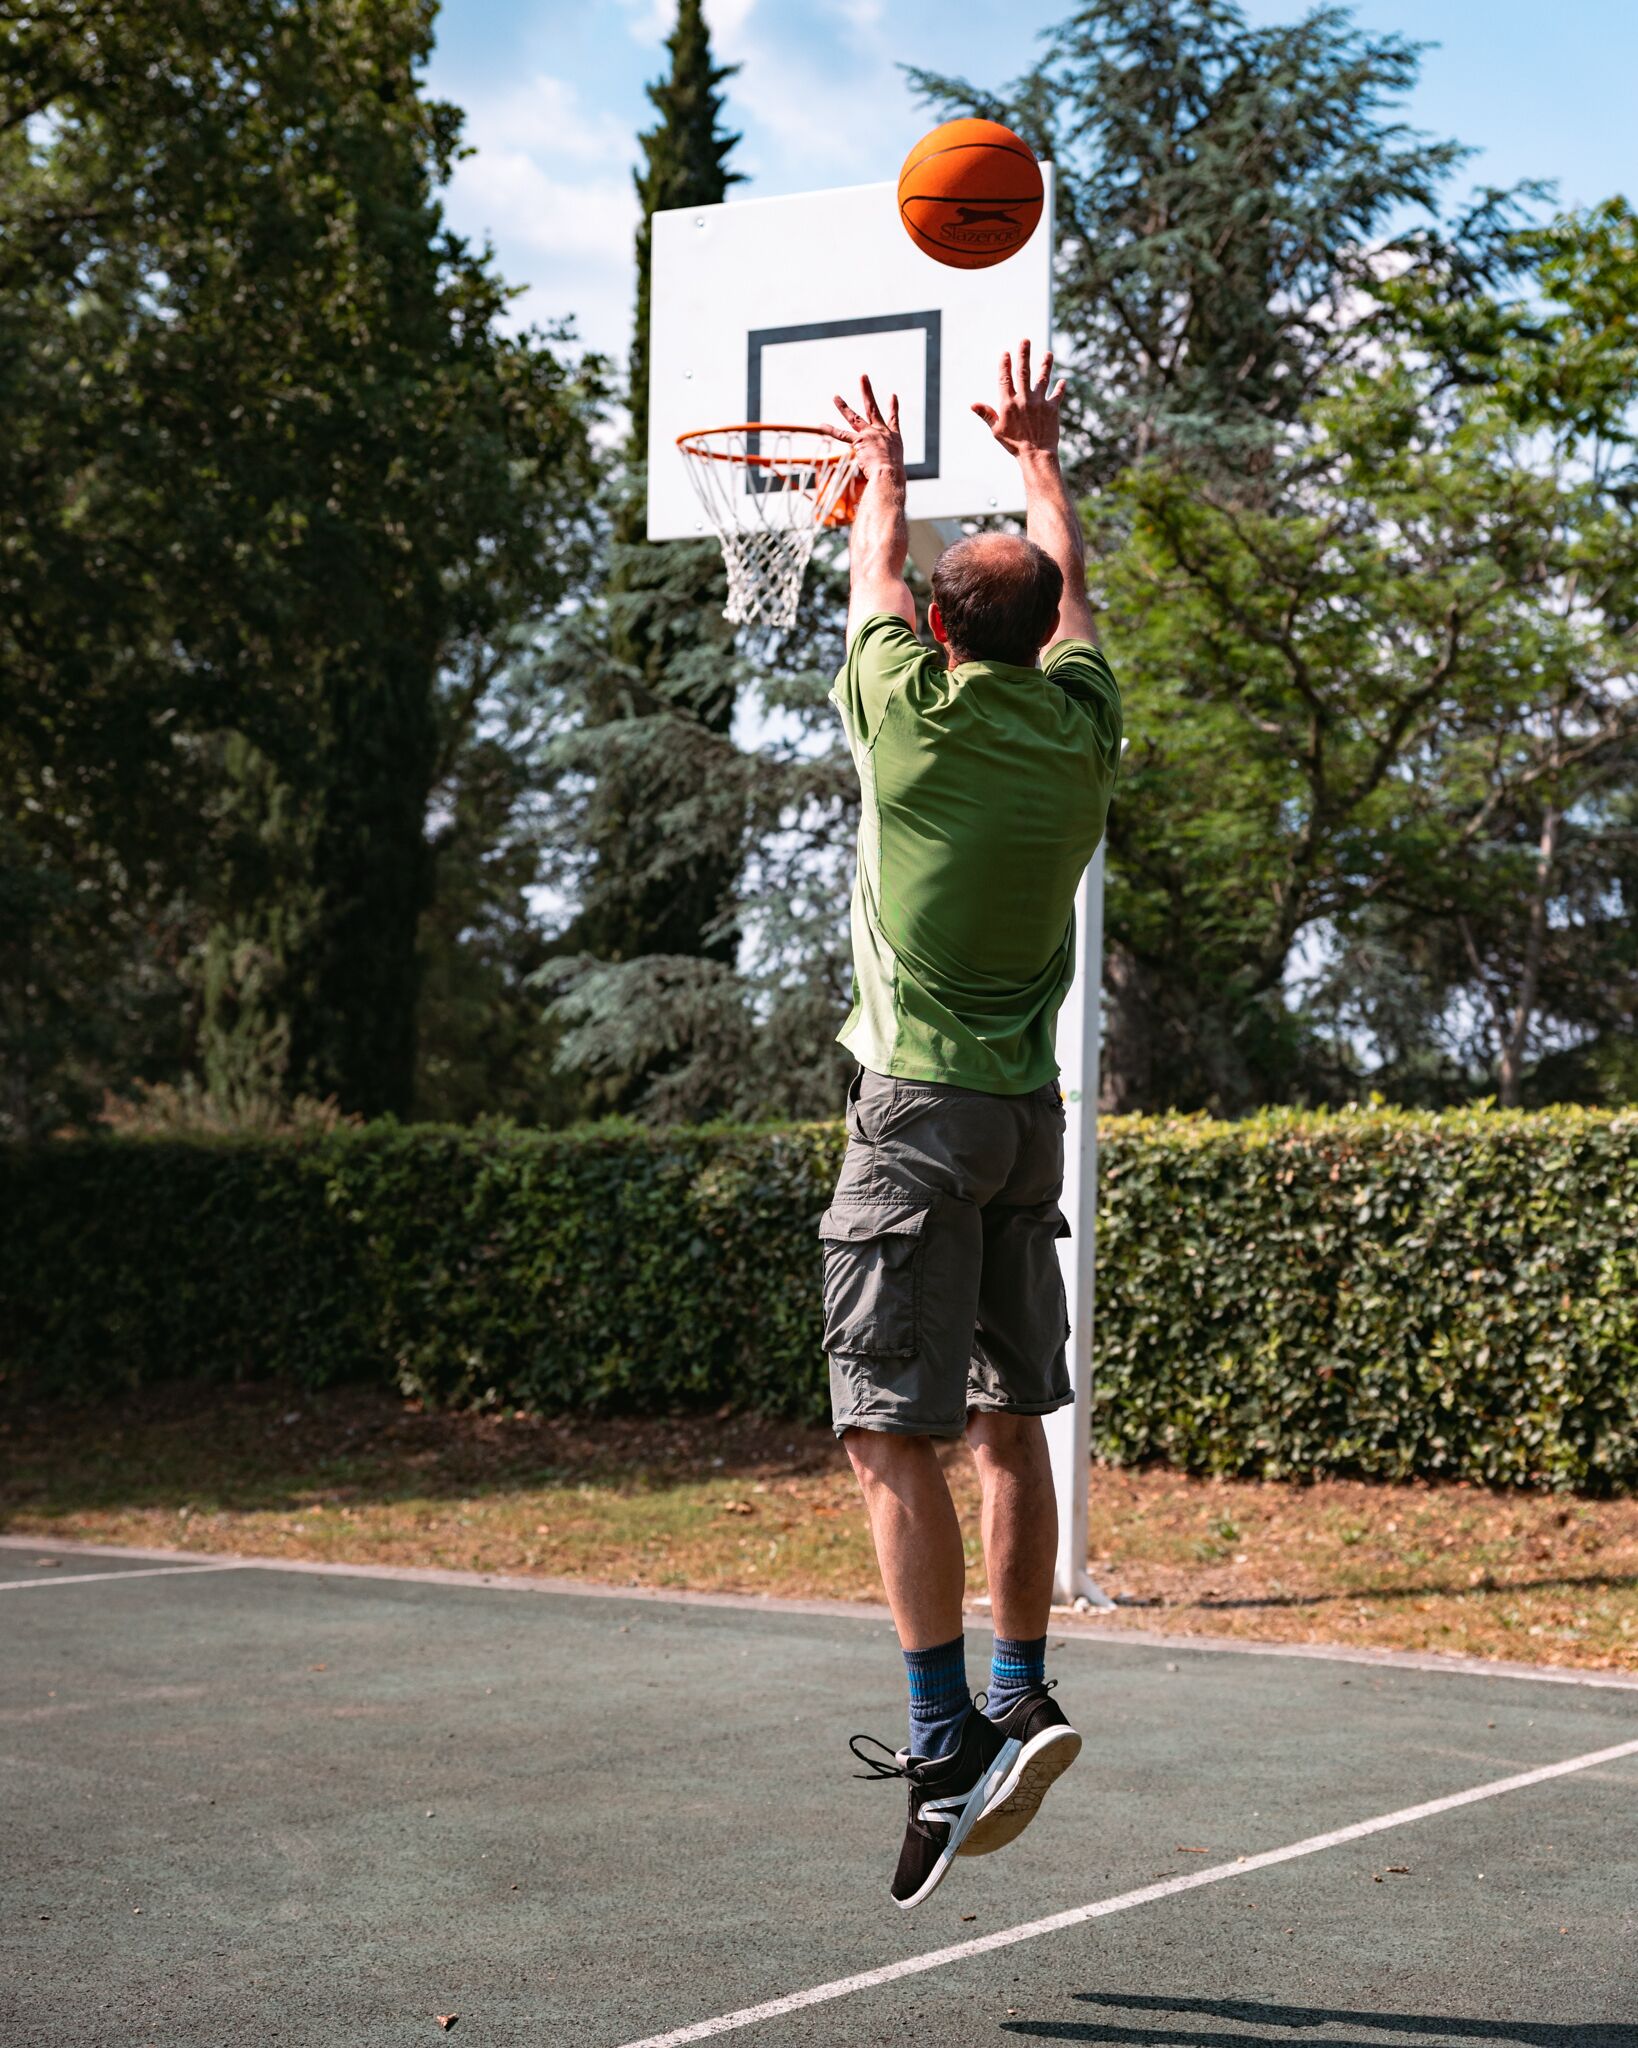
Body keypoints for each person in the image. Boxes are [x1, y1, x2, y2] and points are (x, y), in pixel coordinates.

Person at [824, 341, 1123, 1910]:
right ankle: (1021, 1689)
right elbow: (1064, 592)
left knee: (888, 1431)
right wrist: (1033, 457)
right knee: (1012, 1421)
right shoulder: (1078, 729)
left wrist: (876, 470)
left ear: (942, 633)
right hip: (1022, 1116)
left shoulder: (906, 725)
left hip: (920, 1116)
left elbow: (878, 572)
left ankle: (945, 1735)